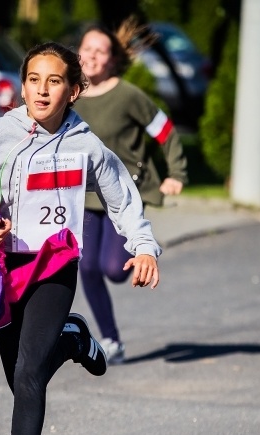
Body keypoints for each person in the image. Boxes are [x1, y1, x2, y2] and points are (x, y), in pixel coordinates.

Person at [0, 41, 161, 435]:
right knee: (20, 380)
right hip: (1, 269)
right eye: (33, 79)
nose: (42, 90)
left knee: (29, 375)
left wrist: (144, 246)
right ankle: (73, 340)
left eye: (54, 81)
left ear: (74, 89)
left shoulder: (86, 144)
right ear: (22, 84)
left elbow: (122, 198)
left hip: (54, 266)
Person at [73, 21, 188, 363]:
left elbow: (165, 131)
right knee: (87, 268)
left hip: (122, 193)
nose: (92, 55)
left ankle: (142, 248)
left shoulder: (127, 95)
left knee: (111, 267)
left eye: (100, 50)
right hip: (84, 194)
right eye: (87, 48)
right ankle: (111, 340)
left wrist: (176, 172)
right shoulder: (71, 95)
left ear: (111, 60)